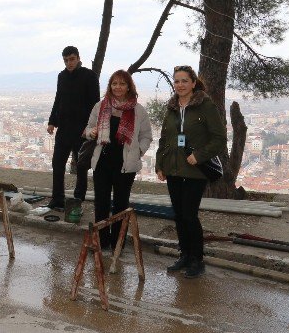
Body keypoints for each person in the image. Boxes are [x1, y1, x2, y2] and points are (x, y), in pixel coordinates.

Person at [156, 65, 227, 278]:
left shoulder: (205, 106)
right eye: (176, 81)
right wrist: (160, 165)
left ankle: (197, 259)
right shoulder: (171, 108)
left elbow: (219, 139)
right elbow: (164, 139)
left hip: (195, 171)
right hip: (174, 170)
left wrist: (199, 155)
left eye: (184, 81)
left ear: (193, 83)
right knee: (178, 215)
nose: (180, 85)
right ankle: (185, 254)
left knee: (189, 215)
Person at [84, 70, 152, 251]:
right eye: (114, 84)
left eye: (122, 84)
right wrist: (91, 132)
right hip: (102, 162)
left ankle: (117, 244)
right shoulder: (101, 106)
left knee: (121, 206)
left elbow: (146, 136)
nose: (118, 87)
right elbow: (88, 128)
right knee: (101, 203)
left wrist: (138, 152)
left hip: (125, 165)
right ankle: (101, 242)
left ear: (129, 86)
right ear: (110, 86)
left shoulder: (138, 110)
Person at [46, 46, 100, 210]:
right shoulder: (61, 76)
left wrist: (90, 127)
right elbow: (58, 99)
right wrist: (52, 121)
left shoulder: (89, 76)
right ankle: (57, 199)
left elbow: (95, 103)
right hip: (64, 128)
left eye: (71, 59)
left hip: (82, 130)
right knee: (57, 164)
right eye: (66, 60)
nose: (69, 63)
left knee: (81, 166)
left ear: (78, 58)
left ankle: (78, 199)